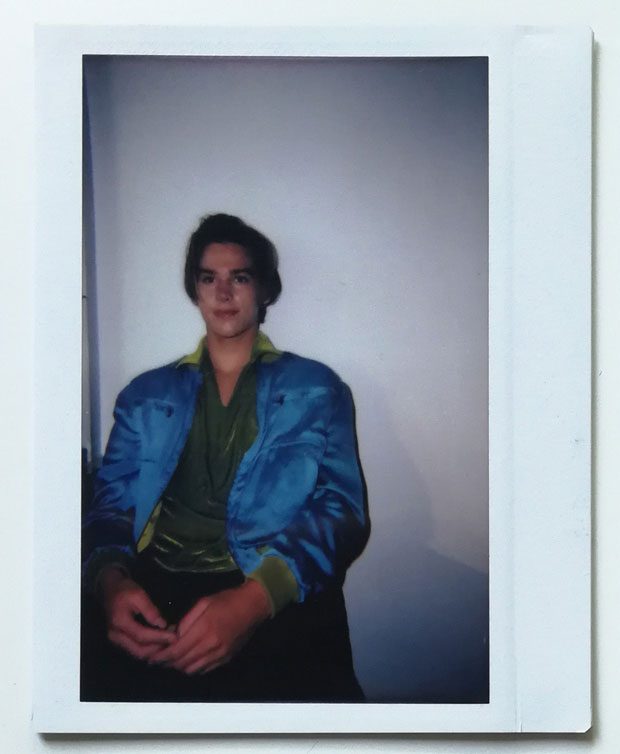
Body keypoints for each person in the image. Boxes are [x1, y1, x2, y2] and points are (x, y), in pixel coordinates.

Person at [81, 213, 369, 702]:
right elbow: (109, 507)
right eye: (208, 278)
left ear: (264, 290)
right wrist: (110, 581)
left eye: (239, 277)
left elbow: (342, 511)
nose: (223, 292)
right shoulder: (145, 396)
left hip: (272, 582)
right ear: (194, 291)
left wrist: (254, 601)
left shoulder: (317, 388)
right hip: (158, 590)